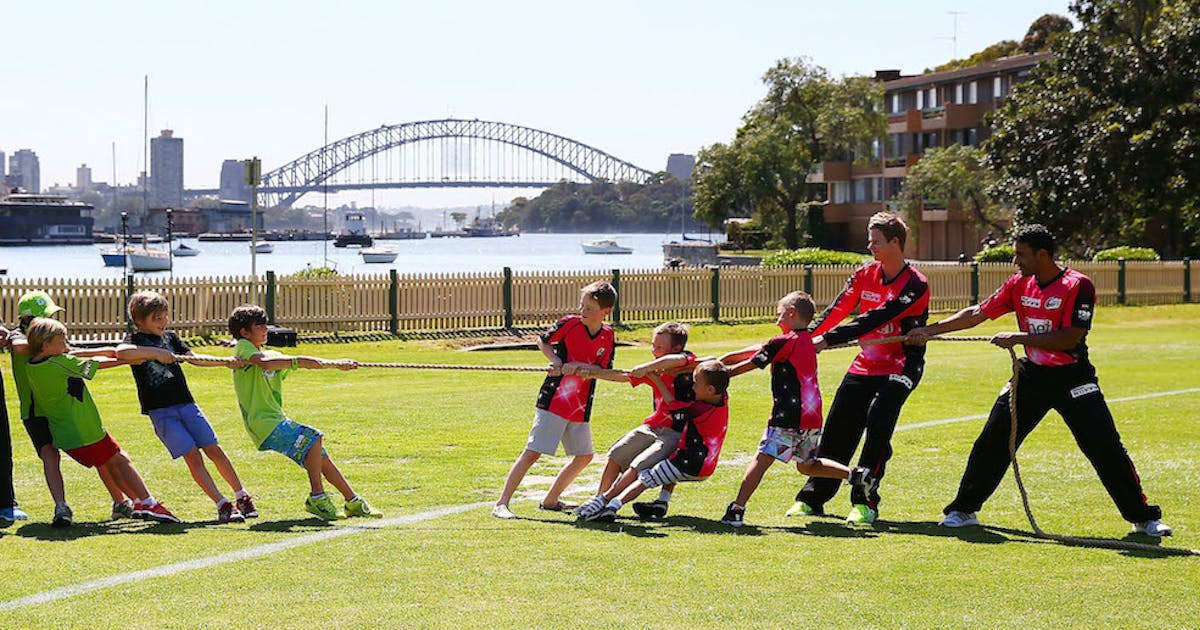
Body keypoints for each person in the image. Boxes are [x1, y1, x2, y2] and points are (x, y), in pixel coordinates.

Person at [908, 224, 1171, 537]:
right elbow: (977, 313)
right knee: (993, 440)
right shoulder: (1019, 283)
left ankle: (1143, 518)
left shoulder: (1078, 285)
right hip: (1030, 376)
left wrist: (1018, 337)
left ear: (1043, 254)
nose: (1016, 261)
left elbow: (1070, 338)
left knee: (1104, 447)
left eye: (1021, 254)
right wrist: (930, 331)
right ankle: (963, 510)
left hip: (1073, 378)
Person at [795, 212, 930, 524]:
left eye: (876, 242)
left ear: (896, 242)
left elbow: (874, 319)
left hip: (902, 366)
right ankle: (814, 498)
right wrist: (804, 338)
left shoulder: (915, 285)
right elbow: (838, 309)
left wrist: (827, 341)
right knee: (839, 426)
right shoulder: (863, 275)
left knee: (878, 422)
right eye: (870, 241)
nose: (871, 247)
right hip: (865, 364)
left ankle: (865, 501)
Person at [228, 305, 382, 521]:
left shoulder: (270, 352)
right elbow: (264, 363)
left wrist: (338, 364)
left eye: (266, 324)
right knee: (313, 437)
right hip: (263, 423)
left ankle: (352, 500)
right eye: (259, 326)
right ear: (244, 332)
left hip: (277, 421)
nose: (265, 329)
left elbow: (306, 363)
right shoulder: (244, 348)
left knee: (320, 457)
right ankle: (317, 497)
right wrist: (296, 361)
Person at [117, 291, 257, 523]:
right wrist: (156, 353)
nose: (163, 323)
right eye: (156, 318)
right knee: (192, 456)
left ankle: (241, 495)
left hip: (187, 405)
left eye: (164, 316)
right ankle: (222, 503)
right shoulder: (135, 340)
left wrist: (225, 362)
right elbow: (121, 353)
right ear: (139, 321)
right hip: (161, 413)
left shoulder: (171, 338)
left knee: (214, 449)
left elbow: (194, 358)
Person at [717, 291, 853, 527]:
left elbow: (752, 362)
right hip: (811, 418)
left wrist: (720, 374)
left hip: (786, 418)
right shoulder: (807, 341)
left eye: (779, 315)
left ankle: (737, 508)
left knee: (761, 460)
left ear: (791, 313)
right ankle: (855, 475)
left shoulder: (782, 342)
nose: (777, 320)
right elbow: (756, 350)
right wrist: (724, 358)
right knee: (807, 465)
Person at [24, 317, 180, 523]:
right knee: (121, 459)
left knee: (107, 463)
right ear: (46, 345)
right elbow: (95, 365)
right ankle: (148, 502)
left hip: (64, 434)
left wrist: (116, 352)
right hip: (85, 431)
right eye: (62, 341)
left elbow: (82, 356)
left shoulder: (33, 366)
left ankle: (134, 503)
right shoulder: (60, 362)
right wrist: (129, 359)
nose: (66, 345)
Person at [7, 291, 134, 527]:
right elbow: (22, 346)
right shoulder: (19, 338)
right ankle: (61, 507)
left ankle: (120, 501)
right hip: (36, 412)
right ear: (28, 320)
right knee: (49, 454)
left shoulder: (53, 343)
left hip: (64, 408)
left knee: (97, 453)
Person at [493, 281, 617, 519]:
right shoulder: (569, 324)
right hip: (554, 401)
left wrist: (583, 368)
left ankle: (551, 500)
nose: (583, 311)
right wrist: (557, 362)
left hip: (580, 407)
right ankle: (502, 503)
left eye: (589, 308)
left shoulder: (608, 335)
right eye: (582, 305)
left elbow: (605, 370)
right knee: (533, 452)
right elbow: (543, 340)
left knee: (584, 456)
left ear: (605, 312)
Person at [573, 322, 699, 519]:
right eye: (653, 345)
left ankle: (610, 501)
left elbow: (679, 359)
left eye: (659, 347)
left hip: (676, 432)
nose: (653, 351)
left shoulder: (688, 363)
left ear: (676, 347)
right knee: (617, 454)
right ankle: (598, 499)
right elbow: (623, 377)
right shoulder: (654, 371)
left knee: (640, 465)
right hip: (652, 427)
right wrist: (590, 372)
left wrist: (648, 368)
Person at [582, 360, 730, 523]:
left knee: (645, 479)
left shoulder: (697, 409)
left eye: (696, 383)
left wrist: (655, 378)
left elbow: (673, 407)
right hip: (705, 466)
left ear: (710, 390)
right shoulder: (723, 398)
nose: (692, 386)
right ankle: (660, 502)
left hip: (687, 463)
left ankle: (610, 504)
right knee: (656, 471)